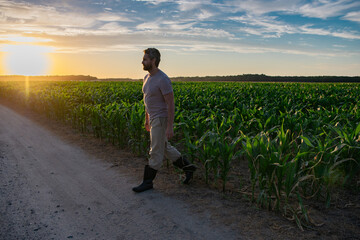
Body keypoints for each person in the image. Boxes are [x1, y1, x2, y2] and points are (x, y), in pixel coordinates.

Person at [132, 48, 196, 193]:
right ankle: (188, 168)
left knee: (155, 151)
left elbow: (170, 104)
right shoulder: (147, 78)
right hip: (153, 119)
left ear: (153, 61)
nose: (142, 61)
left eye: (145, 59)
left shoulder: (163, 79)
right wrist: (146, 119)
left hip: (161, 119)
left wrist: (169, 126)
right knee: (164, 147)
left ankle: (147, 182)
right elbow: (147, 100)